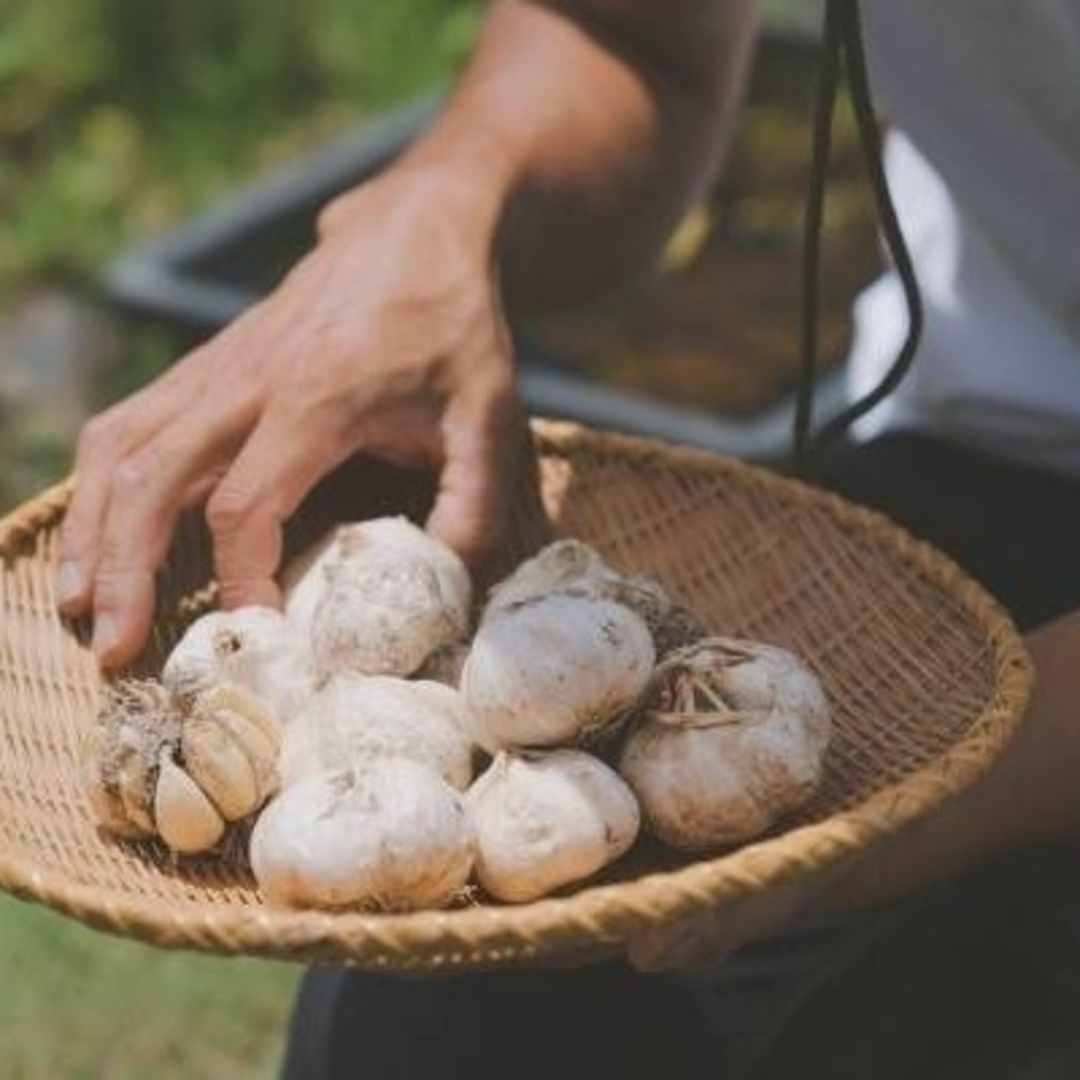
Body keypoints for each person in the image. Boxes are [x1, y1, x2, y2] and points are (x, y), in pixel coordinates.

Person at [57, 1, 1080, 1076]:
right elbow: (632, 41)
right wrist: (449, 201)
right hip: (999, 431)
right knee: (425, 1041)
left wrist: (902, 825)